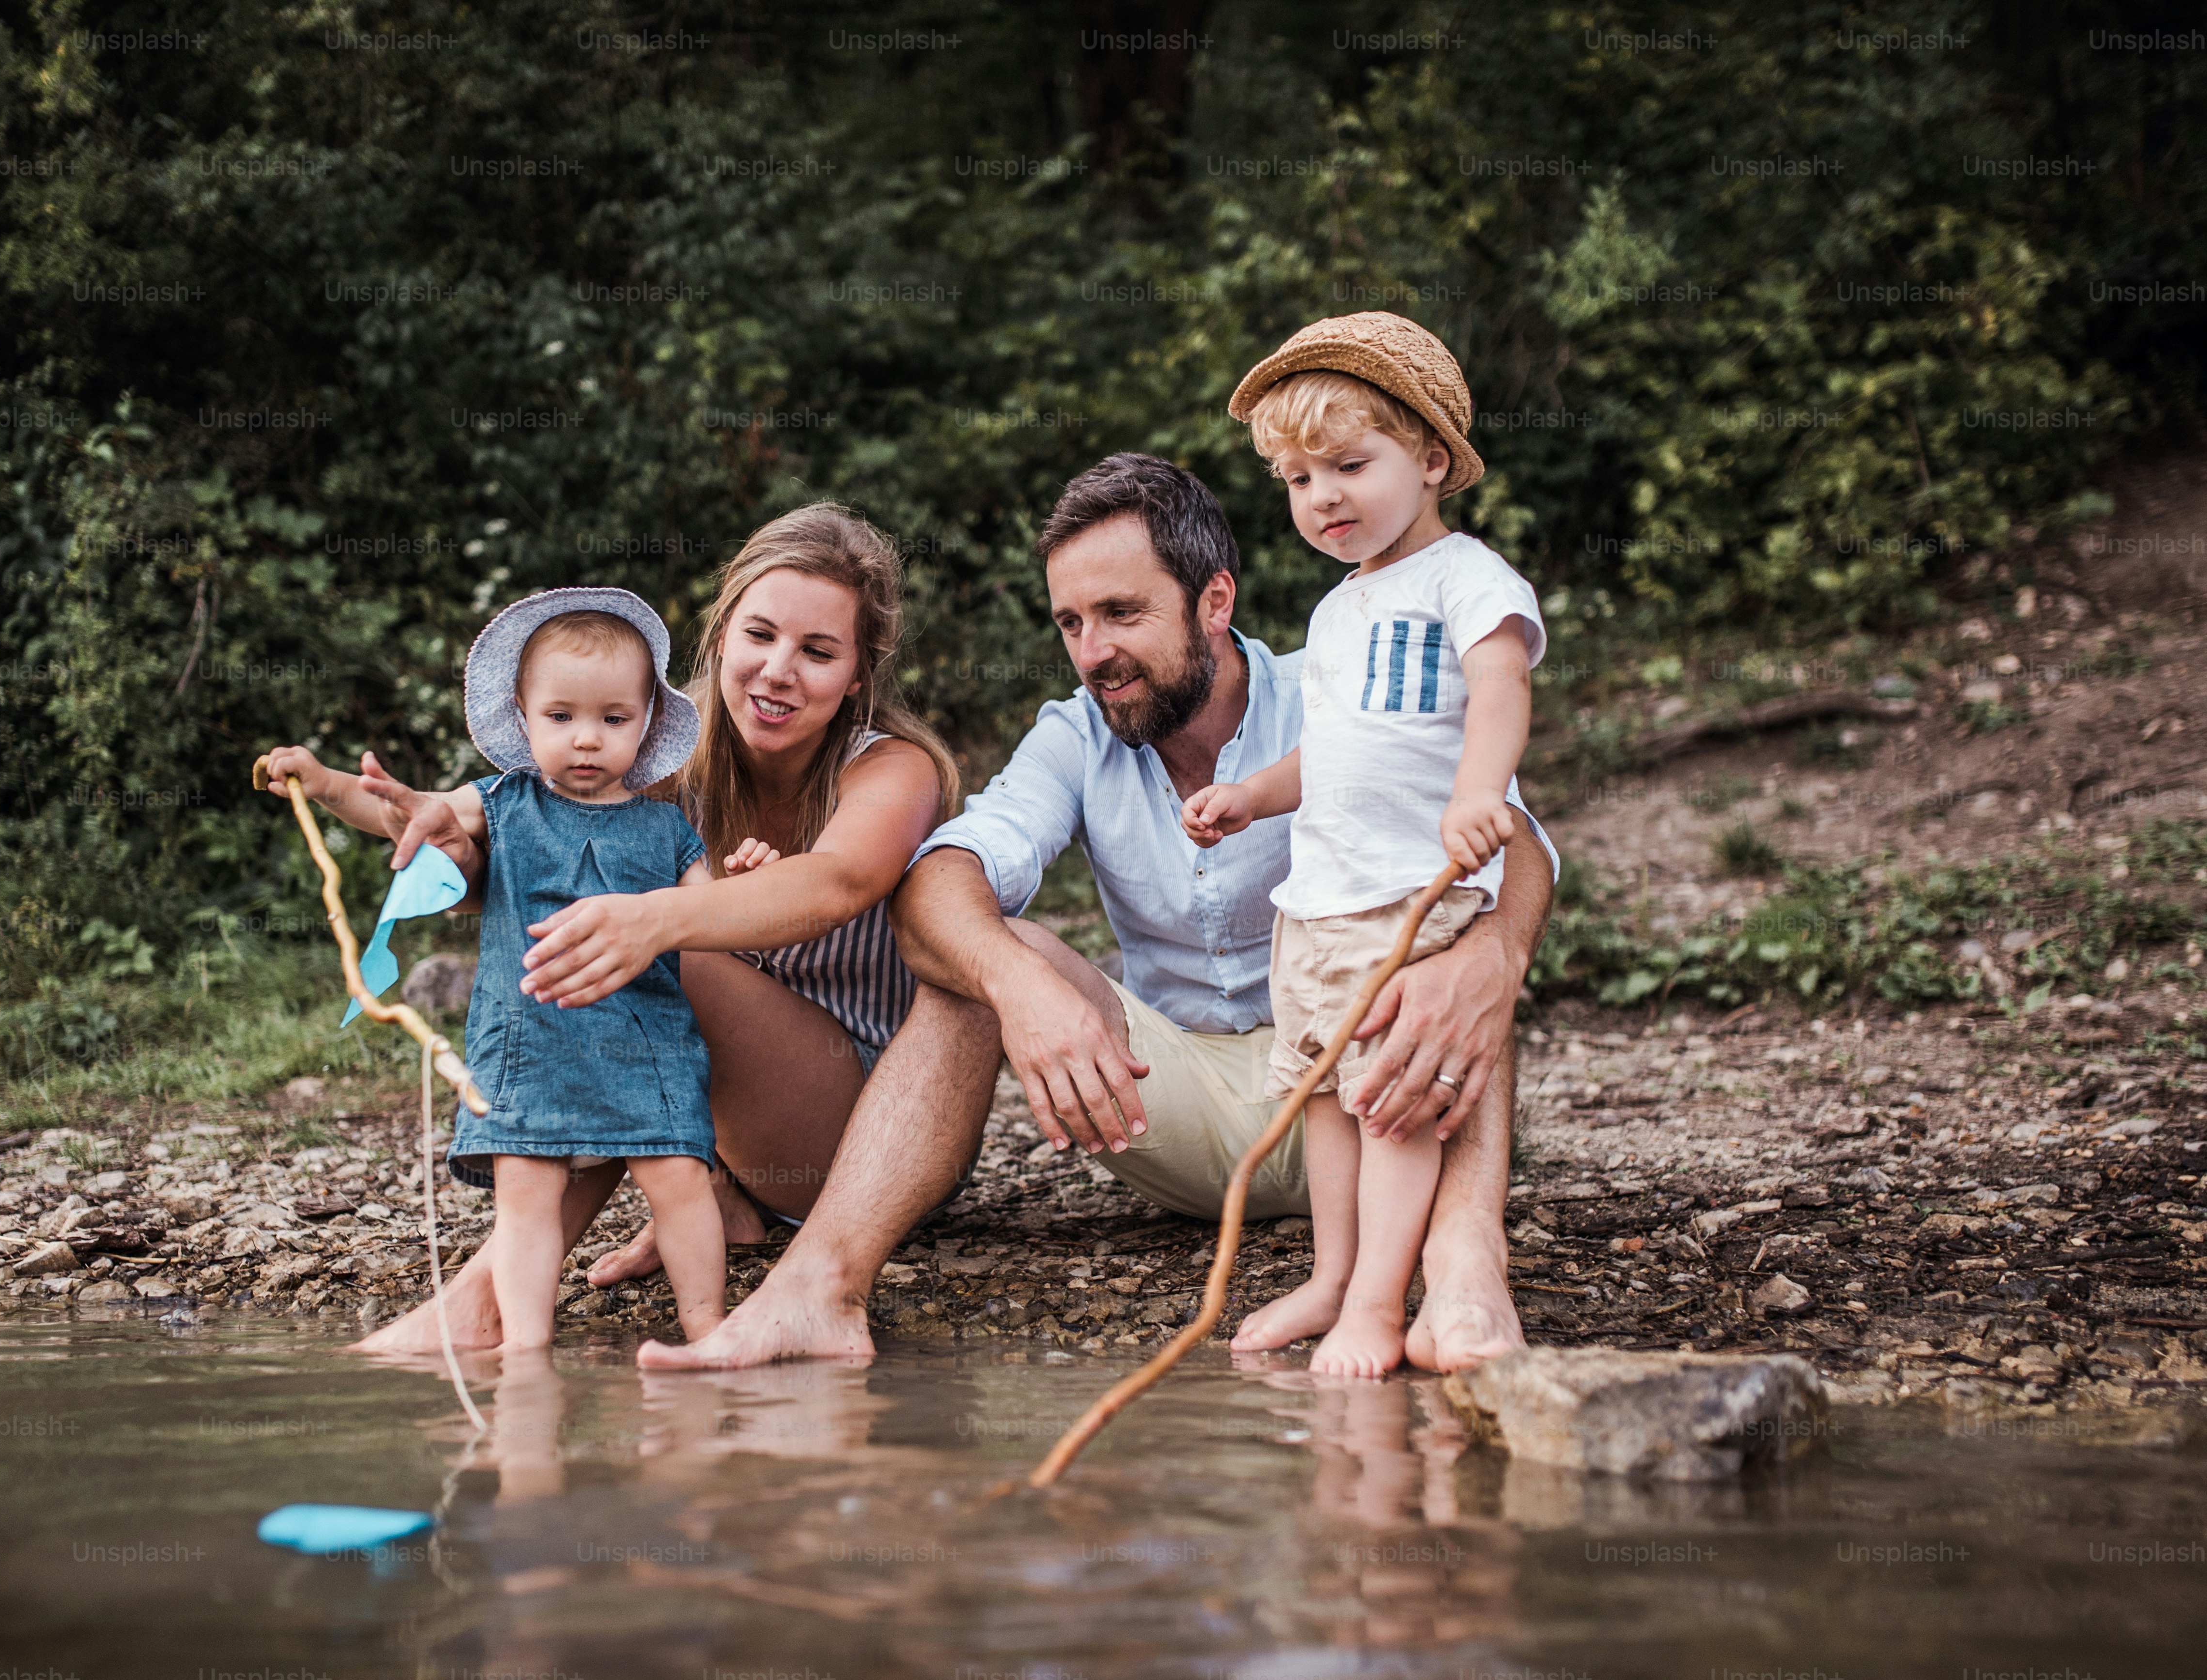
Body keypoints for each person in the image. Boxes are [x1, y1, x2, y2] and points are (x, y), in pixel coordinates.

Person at [643, 450, 1555, 1374]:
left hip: (1375, 1088)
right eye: (1071, 622)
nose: (1093, 653)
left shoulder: (1338, 687)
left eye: (1122, 614)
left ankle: (1465, 1260)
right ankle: (815, 1293)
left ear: (1214, 601)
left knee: (1459, 945)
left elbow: (1512, 833)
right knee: (992, 951)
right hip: (1180, 1104)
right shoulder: (1074, 735)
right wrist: (1018, 990)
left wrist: (1496, 958)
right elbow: (940, 881)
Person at [344, 504, 962, 1352]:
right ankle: (524, 1270)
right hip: (724, 1128)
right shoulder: (657, 740)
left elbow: (838, 882)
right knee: (621, 957)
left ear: (859, 673)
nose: (778, 671)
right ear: (719, 636)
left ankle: (489, 1292)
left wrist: (658, 921)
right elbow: (549, 854)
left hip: (864, 1137)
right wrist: (458, 850)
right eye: (760, 635)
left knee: (658, 962)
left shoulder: (894, 764)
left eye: (818, 653)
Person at [1181, 312, 1542, 1376]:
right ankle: (1336, 1274)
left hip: (1406, 902)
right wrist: (1253, 793)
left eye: (1349, 465)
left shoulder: (1463, 577)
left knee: (1391, 1109)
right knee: (1328, 1103)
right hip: (1319, 906)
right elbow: (1335, 754)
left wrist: (1480, 792)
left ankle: (1380, 1305)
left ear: (1430, 460)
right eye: (1297, 480)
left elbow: (1500, 687)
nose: (1323, 498)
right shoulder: (1339, 611)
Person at [264, 590, 732, 1346]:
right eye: (561, 718)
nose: (586, 740)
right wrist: (324, 784)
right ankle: (523, 1344)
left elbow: (717, 920)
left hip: (646, 1043)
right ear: (523, 715)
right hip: (528, 1042)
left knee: (680, 1180)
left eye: (613, 719)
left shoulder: (665, 826)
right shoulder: (504, 803)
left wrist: (749, 881)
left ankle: (706, 1323)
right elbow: (409, 814)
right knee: (526, 1196)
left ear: (647, 722)